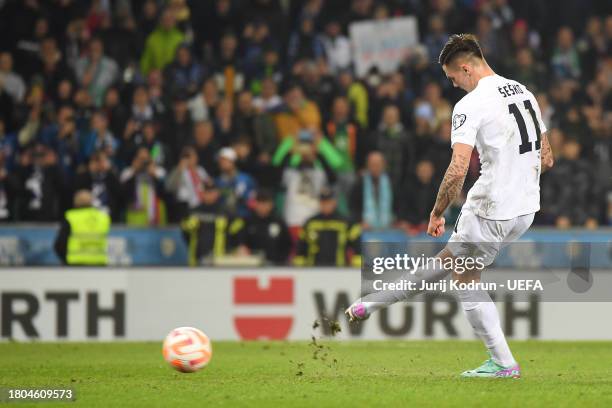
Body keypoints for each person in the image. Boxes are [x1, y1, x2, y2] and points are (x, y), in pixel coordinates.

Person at [345, 34, 555, 379]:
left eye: (453, 77)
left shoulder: (471, 104)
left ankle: (504, 364)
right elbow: (546, 157)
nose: (454, 85)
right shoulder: (523, 91)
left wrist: (437, 211)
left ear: (466, 67)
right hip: (525, 209)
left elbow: (458, 168)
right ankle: (369, 305)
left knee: (464, 277)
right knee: (445, 263)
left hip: (491, 207)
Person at [180, 179, 246, 266]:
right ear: (201, 193)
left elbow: (238, 232)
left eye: (212, 192)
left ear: (217, 193)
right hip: (196, 261)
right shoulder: (193, 211)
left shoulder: (227, 212)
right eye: (206, 192)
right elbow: (184, 232)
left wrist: (237, 246)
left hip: (220, 261)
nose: (209, 195)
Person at [294, 188, 361, 267]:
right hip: (313, 270)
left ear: (334, 202)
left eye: (328, 202)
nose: (325, 205)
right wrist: (300, 261)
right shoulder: (310, 223)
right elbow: (301, 245)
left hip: (339, 270)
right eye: (323, 203)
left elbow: (357, 244)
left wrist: (357, 259)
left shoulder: (346, 223)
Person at [53, 189, 111, 266]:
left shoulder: (71, 218)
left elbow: (60, 245)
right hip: (99, 264)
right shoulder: (103, 218)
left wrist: (66, 260)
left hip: (76, 264)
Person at [243, 189, 291, 265]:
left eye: (265, 203)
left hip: (275, 264)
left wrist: (281, 261)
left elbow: (287, 244)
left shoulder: (278, 222)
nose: (262, 206)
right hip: (252, 265)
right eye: (260, 203)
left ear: (271, 204)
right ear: (255, 204)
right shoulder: (247, 222)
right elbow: (242, 243)